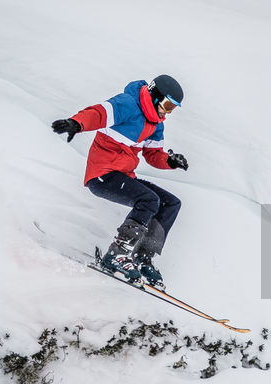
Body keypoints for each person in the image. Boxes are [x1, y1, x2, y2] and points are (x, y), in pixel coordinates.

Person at [52, 74, 190, 288]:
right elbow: (98, 113)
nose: (167, 112)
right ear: (155, 96)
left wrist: (170, 161)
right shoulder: (128, 104)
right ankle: (117, 253)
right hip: (102, 175)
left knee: (170, 203)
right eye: (167, 105)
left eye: (172, 108)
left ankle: (143, 257)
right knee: (148, 200)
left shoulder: (156, 124)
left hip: (123, 175)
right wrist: (75, 123)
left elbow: (153, 155)